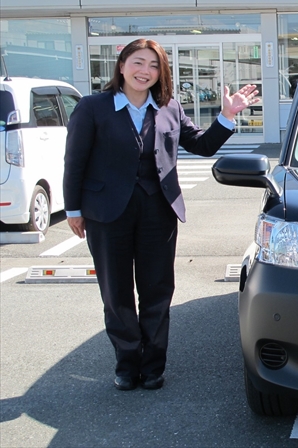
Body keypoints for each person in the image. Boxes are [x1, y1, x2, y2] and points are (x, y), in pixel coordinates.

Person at [63, 38, 259, 391]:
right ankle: (127, 364)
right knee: (116, 292)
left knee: (157, 290)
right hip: (107, 214)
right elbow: (74, 161)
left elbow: (201, 145)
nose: (146, 71)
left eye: (154, 65)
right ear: (122, 66)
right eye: (138, 62)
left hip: (158, 211)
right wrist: (73, 209)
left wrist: (227, 116)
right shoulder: (93, 107)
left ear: (161, 73)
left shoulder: (169, 107)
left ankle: (153, 365)